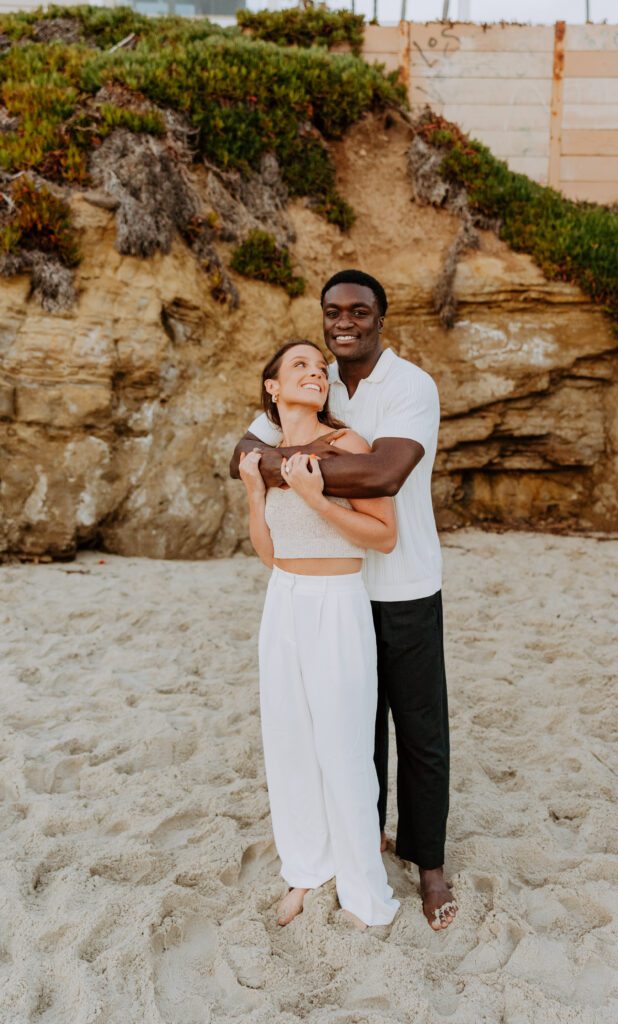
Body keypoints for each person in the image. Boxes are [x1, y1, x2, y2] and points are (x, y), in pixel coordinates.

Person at [231, 270, 456, 931]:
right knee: (348, 733)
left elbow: (385, 472)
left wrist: (296, 473)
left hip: (403, 580)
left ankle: (429, 863)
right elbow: (248, 447)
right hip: (330, 590)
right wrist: (274, 467)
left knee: (418, 731)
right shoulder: (317, 379)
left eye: (359, 310)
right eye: (333, 310)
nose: (344, 320)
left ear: (380, 318)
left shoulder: (409, 385)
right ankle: (359, 844)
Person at [237, 338, 400, 929]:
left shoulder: (348, 446)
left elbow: (383, 536)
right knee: (289, 744)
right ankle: (306, 868)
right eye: (298, 366)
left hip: (337, 604)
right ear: (273, 387)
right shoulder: (267, 455)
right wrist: (258, 495)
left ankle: (363, 890)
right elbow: (267, 552)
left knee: (343, 748)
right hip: (283, 601)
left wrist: (317, 497)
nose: (316, 372)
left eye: (319, 367)